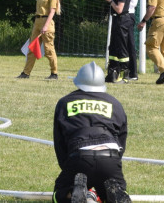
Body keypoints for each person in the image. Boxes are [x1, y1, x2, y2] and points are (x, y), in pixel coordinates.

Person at [51, 62, 132, 203]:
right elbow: (122, 138)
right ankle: (114, 193)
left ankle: (72, 193)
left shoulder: (64, 102)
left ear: (78, 82)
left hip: (79, 155)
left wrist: (68, 167)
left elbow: (59, 143)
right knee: (115, 190)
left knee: (58, 195)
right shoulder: (115, 103)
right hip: (110, 157)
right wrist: (115, 162)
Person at [17, 0, 61, 80]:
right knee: (32, 48)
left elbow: (52, 12)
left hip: (47, 23)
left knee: (49, 50)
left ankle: (54, 74)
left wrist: (45, 26)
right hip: (37, 22)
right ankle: (25, 73)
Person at [101, 0, 132, 83]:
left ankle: (125, 75)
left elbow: (119, 9)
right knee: (113, 47)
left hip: (122, 20)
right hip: (117, 21)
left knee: (122, 48)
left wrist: (110, 0)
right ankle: (112, 73)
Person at [124, 0, 140, 81]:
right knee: (126, 43)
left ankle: (133, 72)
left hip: (128, 15)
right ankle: (128, 70)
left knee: (130, 44)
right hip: (127, 15)